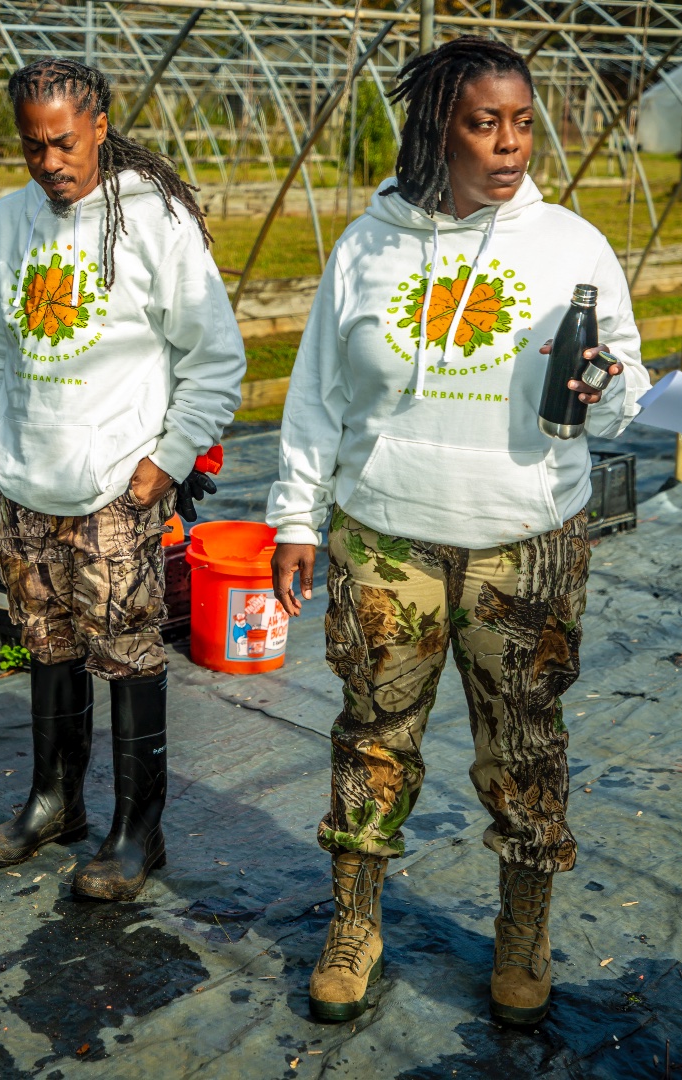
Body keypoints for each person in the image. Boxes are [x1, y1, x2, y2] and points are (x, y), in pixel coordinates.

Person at [268, 36, 649, 1026]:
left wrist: (607, 389)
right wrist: (294, 515)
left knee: (525, 746)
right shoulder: (371, 244)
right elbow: (315, 395)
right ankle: (356, 920)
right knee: (373, 739)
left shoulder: (571, 247)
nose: (511, 144)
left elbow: (620, 400)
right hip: (386, 535)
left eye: (524, 123)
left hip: (524, 540)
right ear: (441, 128)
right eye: (486, 123)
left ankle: (523, 924)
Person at [0, 57, 246, 901]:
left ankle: (137, 831)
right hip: (26, 482)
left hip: (117, 490)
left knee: (126, 657)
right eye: (32, 146)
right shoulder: (8, 222)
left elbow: (216, 357)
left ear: (98, 127)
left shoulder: (151, 220)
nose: (50, 162)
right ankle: (54, 803)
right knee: (45, 646)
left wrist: (166, 461)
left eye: (64, 143)